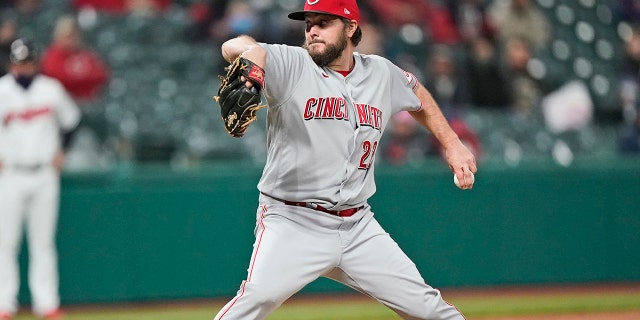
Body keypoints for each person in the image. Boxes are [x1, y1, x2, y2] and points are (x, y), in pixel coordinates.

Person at [213, 0, 477, 319]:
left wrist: (452, 144)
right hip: (293, 222)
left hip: (357, 226)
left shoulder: (380, 72)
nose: (312, 30)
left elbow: (417, 93)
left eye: (324, 23)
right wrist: (253, 54)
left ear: (350, 27)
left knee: (430, 310)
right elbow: (233, 45)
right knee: (256, 299)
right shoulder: (290, 62)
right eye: (309, 23)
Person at [0, 38, 80, 320]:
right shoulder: (1, 91)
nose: (23, 66)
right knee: (5, 243)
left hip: (45, 173)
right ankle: (4, 306)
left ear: (34, 62)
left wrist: (64, 152)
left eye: (27, 61)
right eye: (18, 61)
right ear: (11, 63)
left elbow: (71, 122)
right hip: (10, 173)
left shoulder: (50, 89)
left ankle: (47, 305)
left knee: (42, 243)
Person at [40, 15, 109, 103]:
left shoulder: (86, 54)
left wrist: (80, 79)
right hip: (62, 101)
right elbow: (58, 77)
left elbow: (101, 75)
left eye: (75, 35)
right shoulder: (52, 55)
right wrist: (84, 78)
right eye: (68, 36)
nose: (72, 39)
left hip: (90, 101)